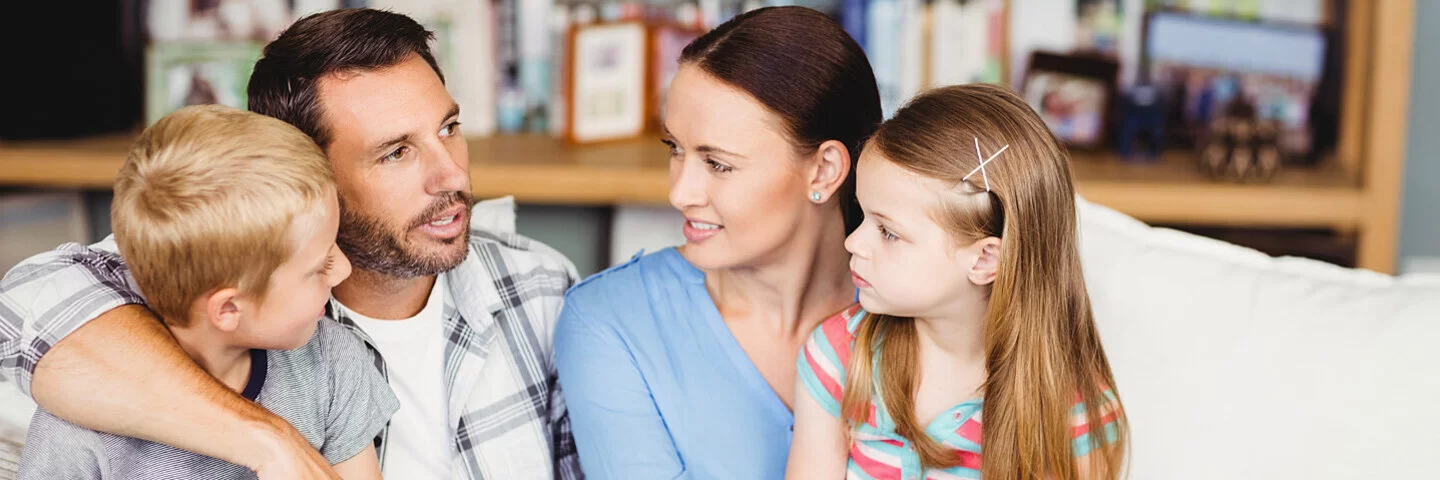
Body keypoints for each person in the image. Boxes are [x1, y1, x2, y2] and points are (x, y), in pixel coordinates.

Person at [0, 9, 579, 479]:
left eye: (449, 128)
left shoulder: (544, 289)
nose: (451, 175)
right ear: (307, 171)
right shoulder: (217, 269)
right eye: (396, 152)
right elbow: (25, 306)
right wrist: (264, 440)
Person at [554, 6, 881, 479]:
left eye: (718, 164)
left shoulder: (923, 311)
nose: (679, 193)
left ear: (825, 170)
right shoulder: (610, 323)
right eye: (675, 150)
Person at [19, 105, 394, 479]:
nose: (343, 269)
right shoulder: (76, 428)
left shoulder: (330, 361)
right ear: (228, 308)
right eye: (319, 267)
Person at [785, 84, 1128, 480]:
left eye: (889, 232)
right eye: (863, 216)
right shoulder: (838, 357)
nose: (853, 242)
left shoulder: (1073, 412)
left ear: (985, 259)